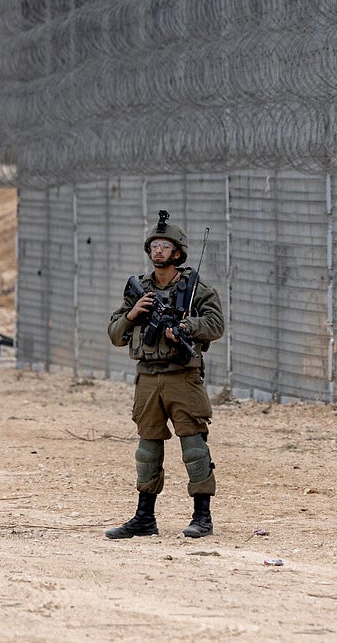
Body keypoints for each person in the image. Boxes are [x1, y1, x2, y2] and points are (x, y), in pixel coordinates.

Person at [104, 210, 226, 539]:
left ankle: (202, 517)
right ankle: (144, 518)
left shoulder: (196, 288)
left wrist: (186, 326)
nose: (159, 250)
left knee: (194, 447)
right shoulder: (138, 289)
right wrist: (132, 314)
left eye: (165, 246)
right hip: (147, 378)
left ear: (177, 252)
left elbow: (216, 324)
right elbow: (115, 334)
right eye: (154, 245)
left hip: (182, 378)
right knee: (147, 450)